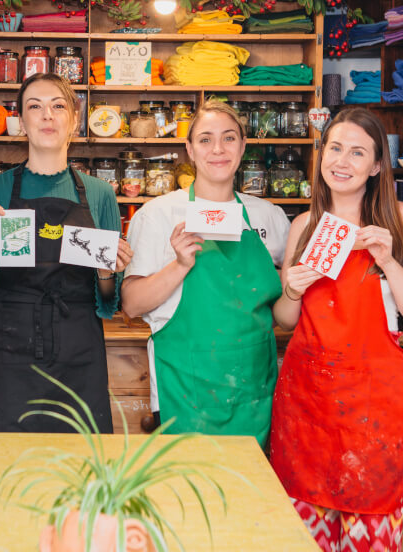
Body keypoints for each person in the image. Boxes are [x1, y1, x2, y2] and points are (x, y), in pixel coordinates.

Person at [268, 107, 403, 552]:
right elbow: (286, 321)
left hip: (374, 408)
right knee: (301, 540)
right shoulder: (305, 226)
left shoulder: (402, 220)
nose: (341, 161)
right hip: (306, 409)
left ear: (377, 165)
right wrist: (291, 289)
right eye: (335, 148)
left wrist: (386, 260)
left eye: (357, 152)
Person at [0, 72, 133, 433]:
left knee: (80, 469)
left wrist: (106, 272)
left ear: (74, 119)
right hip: (5, 351)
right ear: (21, 122)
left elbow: (108, 303)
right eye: (34, 107)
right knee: (2, 466)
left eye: (58, 106)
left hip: (78, 349)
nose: (47, 115)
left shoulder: (99, 194)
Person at [121, 99, 290, 442]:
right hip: (186, 388)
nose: (218, 149)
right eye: (205, 139)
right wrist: (180, 264)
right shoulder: (157, 215)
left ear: (243, 147)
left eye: (229, 138)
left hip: (253, 389)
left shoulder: (268, 216)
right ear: (189, 149)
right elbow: (132, 304)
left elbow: (284, 308)